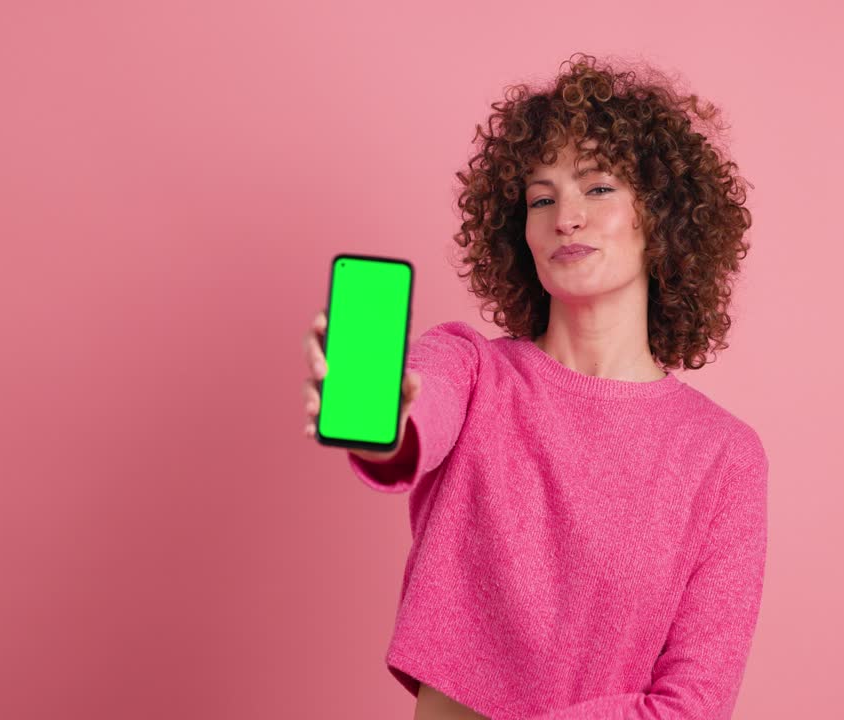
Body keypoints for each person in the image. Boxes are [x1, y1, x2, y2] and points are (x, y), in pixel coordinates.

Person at [302, 52, 768, 720]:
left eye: (597, 188)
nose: (565, 218)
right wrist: (383, 422)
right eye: (541, 199)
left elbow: (694, 705)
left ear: (660, 217)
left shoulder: (723, 456)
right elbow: (418, 414)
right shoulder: (469, 367)